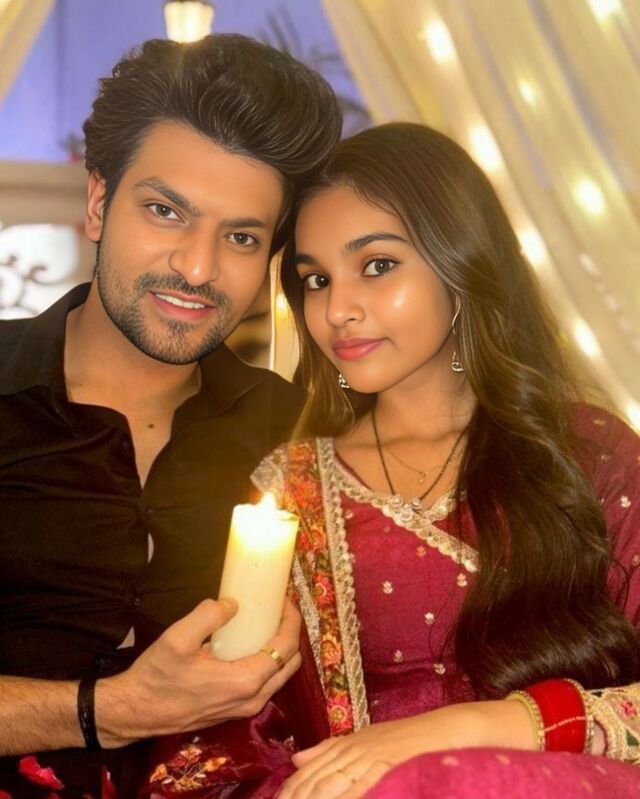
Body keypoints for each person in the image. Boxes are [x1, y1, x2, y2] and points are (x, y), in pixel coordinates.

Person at [145, 123, 640, 798]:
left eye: (377, 265)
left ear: (461, 267)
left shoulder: (589, 454)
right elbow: (236, 737)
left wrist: (473, 729)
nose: (337, 309)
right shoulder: (292, 490)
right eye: (316, 279)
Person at [0, 34, 341, 798]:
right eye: (165, 211)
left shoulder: (298, 433)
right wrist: (109, 710)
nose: (197, 266)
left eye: (241, 236)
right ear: (97, 202)